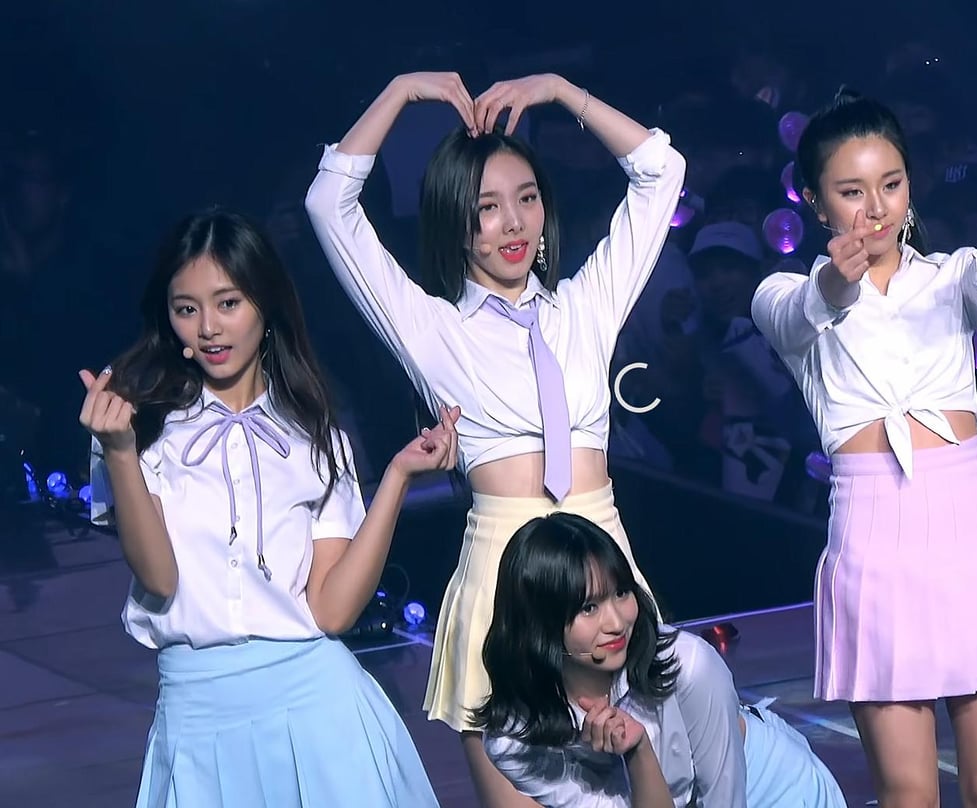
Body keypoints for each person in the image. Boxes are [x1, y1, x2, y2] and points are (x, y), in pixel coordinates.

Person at [305, 71, 686, 805]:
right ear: (455, 222)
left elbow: (661, 171)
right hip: (503, 580)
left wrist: (562, 92)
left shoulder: (585, 306)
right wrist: (400, 92)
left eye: (527, 199)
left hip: (604, 565)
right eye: (486, 208)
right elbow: (329, 204)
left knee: (651, 787)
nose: (513, 224)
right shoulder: (434, 329)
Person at [751, 89, 977, 807]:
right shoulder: (781, 293)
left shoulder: (944, 277)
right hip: (876, 532)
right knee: (908, 793)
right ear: (814, 201)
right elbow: (812, 307)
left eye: (891, 184)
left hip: (973, 520)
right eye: (852, 191)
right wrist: (838, 277)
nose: (877, 208)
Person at [81, 208, 451, 807]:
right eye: (186, 309)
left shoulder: (316, 435)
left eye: (228, 303)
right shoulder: (141, 428)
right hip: (198, 718)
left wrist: (397, 478)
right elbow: (159, 579)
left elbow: (332, 611)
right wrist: (119, 452)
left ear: (265, 304)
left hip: (320, 711)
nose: (208, 328)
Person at [473, 512, 848, 807]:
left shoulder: (689, 664)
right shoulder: (513, 740)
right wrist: (638, 752)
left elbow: (725, 798)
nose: (617, 622)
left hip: (772, 790)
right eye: (589, 607)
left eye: (621, 593)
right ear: (538, 624)